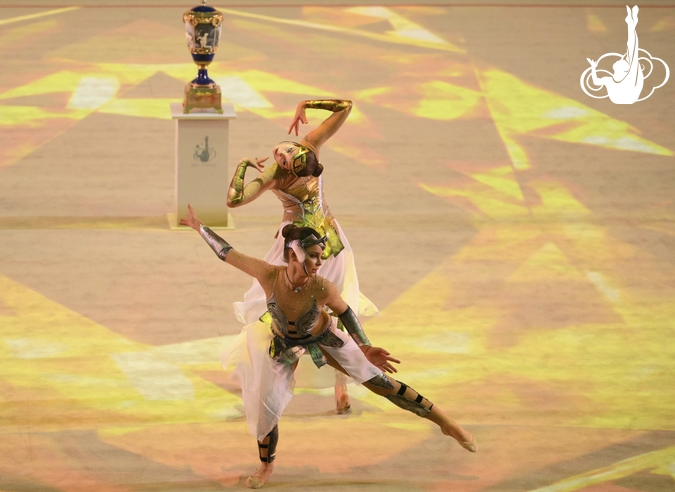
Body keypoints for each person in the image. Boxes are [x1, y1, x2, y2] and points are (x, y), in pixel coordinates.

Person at [180, 205, 477, 490]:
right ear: (293, 254)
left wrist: (365, 347)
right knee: (266, 403)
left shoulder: (322, 287)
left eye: (321, 257)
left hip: (325, 339)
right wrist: (199, 227)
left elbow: (346, 312)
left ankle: (446, 423)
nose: (319, 263)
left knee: (382, 383)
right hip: (282, 344)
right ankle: (266, 465)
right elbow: (226, 252)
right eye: (313, 256)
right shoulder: (269, 275)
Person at [227, 98, 373, 413]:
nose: (282, 153)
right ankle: (296, 381)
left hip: (316, 247)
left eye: (288, 156)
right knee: (305, 308)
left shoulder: (290, 162)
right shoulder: (292, 160)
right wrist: (306, 104)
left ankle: (336, 385)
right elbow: (345, 107)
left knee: (323, 308)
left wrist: (243, 166)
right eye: (287, 152)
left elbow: (346, 107)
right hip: (312, 246)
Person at [587, 5, 643, 104]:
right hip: (624, 97)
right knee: (632, 53)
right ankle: (631, 23)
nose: (620, 59)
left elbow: (632, 47)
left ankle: (631, 23)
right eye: (624, 60)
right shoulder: (611, 80)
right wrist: (593, 67)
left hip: (626, 96)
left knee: (632, 52)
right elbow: (596, 82)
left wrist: (631, 25)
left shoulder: (626, 77)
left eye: (622, 61)